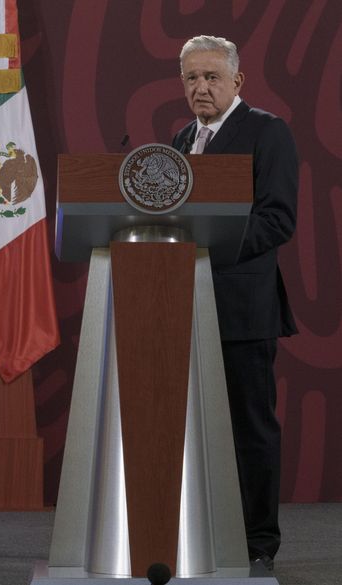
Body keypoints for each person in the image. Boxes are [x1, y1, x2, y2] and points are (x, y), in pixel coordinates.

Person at [172, 35, 297, 570]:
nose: (201, 88)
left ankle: (257, 544)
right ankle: (197, 537)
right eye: (192, 79)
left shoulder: (267, 132)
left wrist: (208, 241)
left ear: (237, 81)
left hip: (242, 308)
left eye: (211, 77)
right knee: (190, 433)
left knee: (250, 429)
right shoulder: (179, 140)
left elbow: (277, 219)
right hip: (182, 305)